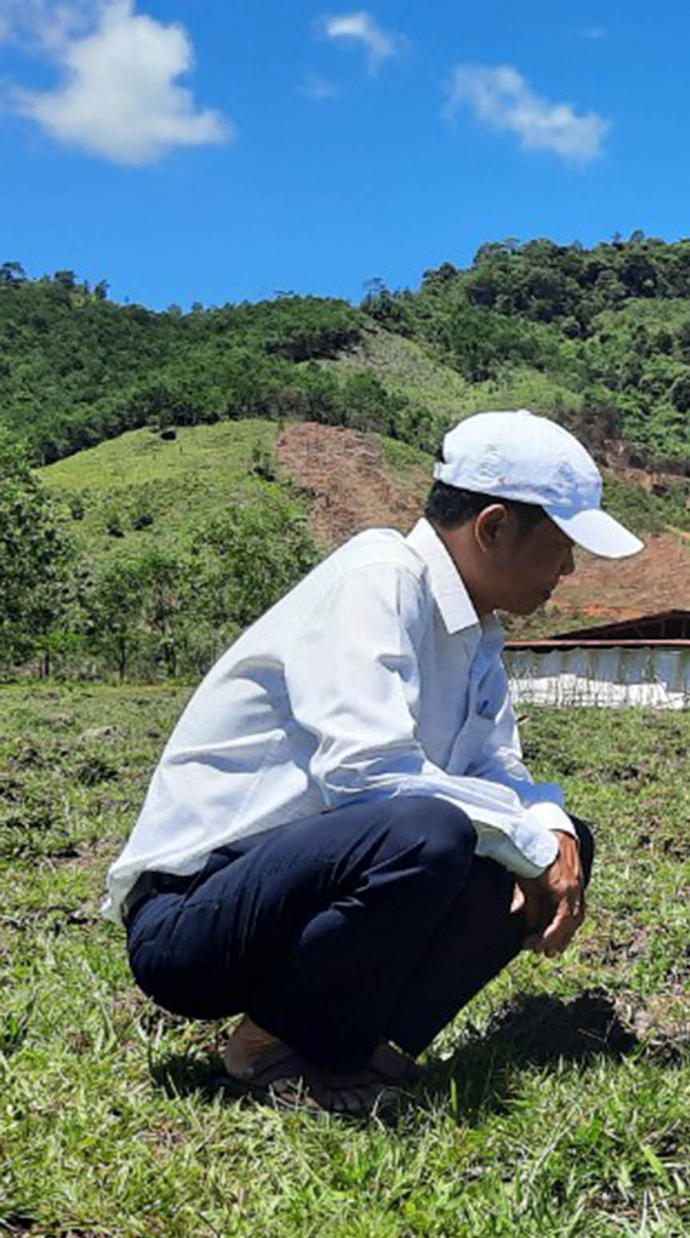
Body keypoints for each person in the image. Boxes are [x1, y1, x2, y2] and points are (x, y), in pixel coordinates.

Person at [105, 409, 645, 1115]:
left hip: (301, 899)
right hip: (195, 917)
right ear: (493, 527)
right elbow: (366, 776)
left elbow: (499, 773)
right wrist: (533, 839)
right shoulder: (378, 578)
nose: (569, 569)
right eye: (563, 544)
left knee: (550, 835)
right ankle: (266, 1048)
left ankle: (369, 1055)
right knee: (431, 832)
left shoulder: (476, 635)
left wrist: (556, 831)